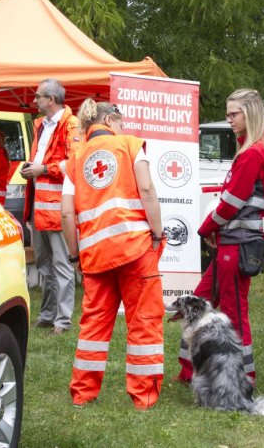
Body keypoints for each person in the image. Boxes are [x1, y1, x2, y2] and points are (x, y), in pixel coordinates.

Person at [61, 99, 165, 410]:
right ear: (110, 120)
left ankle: (82, 394)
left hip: (94, 256)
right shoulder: (130, 145)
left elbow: (67, 215)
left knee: (93, 326)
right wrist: (158, 234)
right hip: (135, 249)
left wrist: (73, 255)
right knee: (144, 320)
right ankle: (143, 396)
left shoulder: (75, 160)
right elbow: (146, 190)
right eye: (120, 122)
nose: (123, 128)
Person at [176, 88, 264, 387]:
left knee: (234, 312)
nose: (228, 119)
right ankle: (189, 368)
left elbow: (232, 202)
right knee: (197, 301)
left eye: (234, 114)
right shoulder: (254, 149)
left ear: (250, 114)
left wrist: (207, 228)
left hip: (237, 245)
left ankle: (242, 376)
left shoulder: (254, 153)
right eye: (228, 113)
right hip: (231, 242)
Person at [22, 78, 82, 335]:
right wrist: (31, 167)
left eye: (37, 96)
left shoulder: (72, 125)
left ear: (51, 99)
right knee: (45, 266)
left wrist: (42, 169)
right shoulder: (41, 126)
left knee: (61, 266)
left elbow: (74, 163)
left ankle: (63, 320)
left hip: (58, 209)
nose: (34, 101)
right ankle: (47, 316)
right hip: (40, 208)